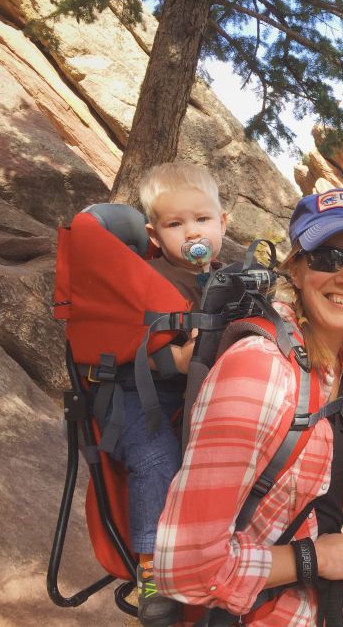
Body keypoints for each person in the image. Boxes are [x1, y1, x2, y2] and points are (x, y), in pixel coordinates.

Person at [154, 188, 343, 626]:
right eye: (327, 257)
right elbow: (183, 566)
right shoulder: (259, 370)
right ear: (296, 269)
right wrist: (309, 559)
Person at [113, 162, 228, 627]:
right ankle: (151, 573)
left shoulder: (228, 278)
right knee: (156, 458)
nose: (191, 232)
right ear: (155, 234)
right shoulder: (151, 280)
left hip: (202, 393)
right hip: (143, 394)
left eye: (201, 219)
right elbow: (132, 349)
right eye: (175, 224)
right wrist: (176, 359)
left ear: (224, 221)